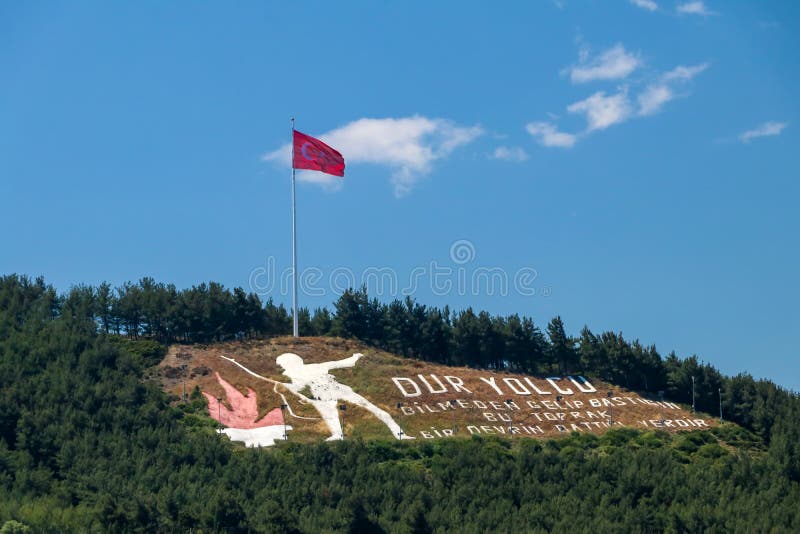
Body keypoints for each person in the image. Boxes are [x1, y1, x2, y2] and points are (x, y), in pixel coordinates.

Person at [276, 352, 412, 440]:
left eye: (281, 364)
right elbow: (342, 363)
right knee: (331, 414)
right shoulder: (295, 372)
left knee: (370, 407)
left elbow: (342, 363)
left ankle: (399, 433)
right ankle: (337, 435)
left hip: (331, 390)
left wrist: (355, 357)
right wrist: (354, 357)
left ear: (289, 363)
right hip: (323, 393)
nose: (281, 367)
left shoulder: (302, 370)